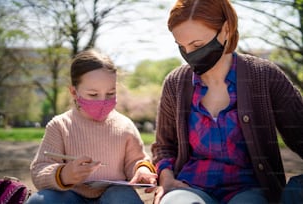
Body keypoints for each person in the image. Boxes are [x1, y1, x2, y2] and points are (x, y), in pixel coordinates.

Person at [151, 0, 303, 203]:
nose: (189, 54)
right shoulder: (175, 83)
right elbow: (164, 146)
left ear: (226, 29)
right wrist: (166, 178)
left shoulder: (264, 76)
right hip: (189, 186)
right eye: (181, 46)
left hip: (250, 189)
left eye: (198, 45)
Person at [26, 49, 157, 204]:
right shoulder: (60, 126)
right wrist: (64, 175)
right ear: (74, 92)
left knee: (123, 198)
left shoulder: (125, 126)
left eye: (110, 93)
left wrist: (142, 170)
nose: (102, 100)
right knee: (39, 201)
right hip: (71, 194)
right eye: (93, 95)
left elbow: (136, 160)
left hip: (114, 194)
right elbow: (39, 171)